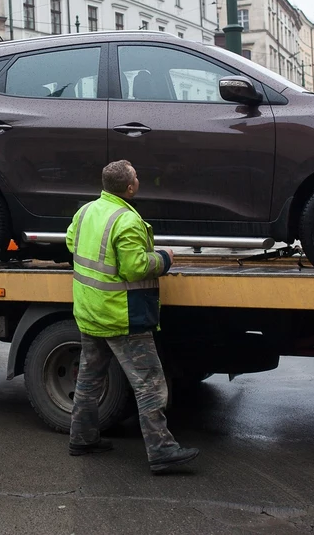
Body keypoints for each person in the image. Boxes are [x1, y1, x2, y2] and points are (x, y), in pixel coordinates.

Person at [66, 160, 199, 474]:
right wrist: (164, 258)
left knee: (88, 380)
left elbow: (72, 242)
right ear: (129, 187)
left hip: (90, 311)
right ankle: (162, 451)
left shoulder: (86, 211)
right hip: (120, 315)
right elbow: (135, 267)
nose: (138, 179)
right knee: (150, 383)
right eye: (136, 176)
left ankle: (82, 439)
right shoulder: (126, 221)